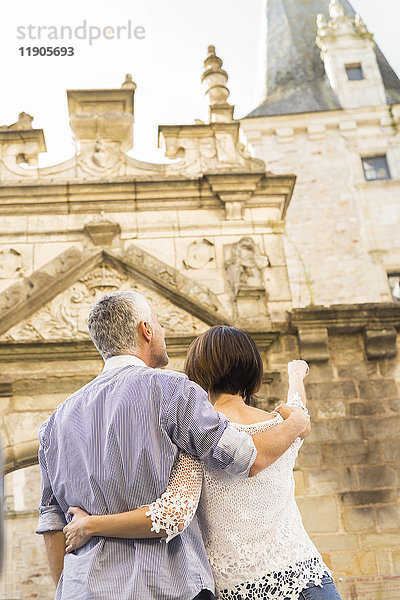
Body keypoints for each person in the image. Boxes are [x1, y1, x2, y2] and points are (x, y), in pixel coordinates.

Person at [36, 291, 311, 600]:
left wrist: (68, 588)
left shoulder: (52, 425)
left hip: (80, 591)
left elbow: (52, 524)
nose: (162, 331)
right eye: (159, 323)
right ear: (146, 330)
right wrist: (297, 423)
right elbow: (245, 455)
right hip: (166, 585)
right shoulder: (172, 390)